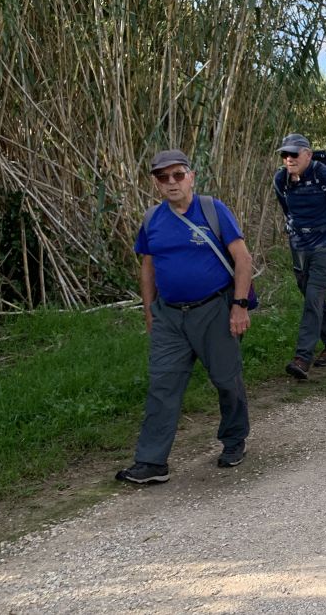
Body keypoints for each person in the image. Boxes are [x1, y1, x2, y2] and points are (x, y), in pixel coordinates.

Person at [116, 149, 253, 484]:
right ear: (156, 183)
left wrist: (239, 306)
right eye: (163, 177)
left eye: (178, 175)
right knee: (162, 384)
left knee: (226, 379)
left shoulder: (211, 209)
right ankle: (152, 462)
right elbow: (147, 268)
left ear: (191, 176)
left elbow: (243, 259)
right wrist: (149, 310)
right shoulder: (152, 219)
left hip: (214, 310)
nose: (171, 182)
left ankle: (234, 440)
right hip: (169, 317)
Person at [273, 133, 326, 380]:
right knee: (311, 297)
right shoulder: (280, 180)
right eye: (284, 155)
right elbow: (288, 211)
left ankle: (302, 358)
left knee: (314, 296)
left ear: (307, 154)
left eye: (293, 154)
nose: (288, 159)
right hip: (298, 245)